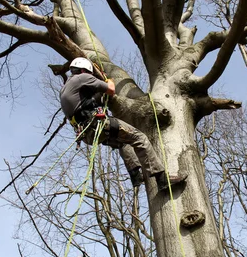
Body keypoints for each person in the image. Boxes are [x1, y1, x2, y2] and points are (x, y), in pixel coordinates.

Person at [60, 57, 186, 190]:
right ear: (83, 70)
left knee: (123, 141)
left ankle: (135, 174)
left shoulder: (66, 88)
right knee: (140, 138)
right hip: (96, 125)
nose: (90, 76)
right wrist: (108, 80)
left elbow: (87, 103)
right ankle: (162, 179)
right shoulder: (82, 77)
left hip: (87, 134)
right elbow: (110, 89)